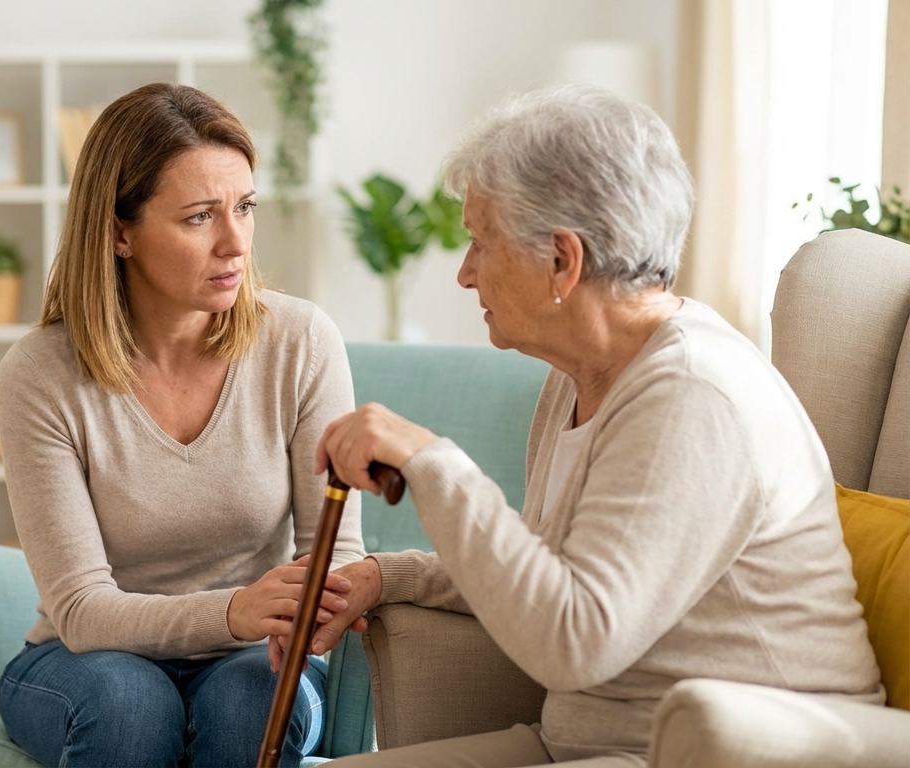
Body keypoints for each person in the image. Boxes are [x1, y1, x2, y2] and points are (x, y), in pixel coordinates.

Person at [302, 85, 885, 767]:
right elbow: (545, 575)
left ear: (562, 260)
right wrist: (384, 576)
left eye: (481, 242)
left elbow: (576, 636)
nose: (464, 274)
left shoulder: (693, 395)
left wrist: (433, 463)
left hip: (731, 753)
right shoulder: (583, 376)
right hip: (595, 745)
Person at [0, 82, 367, 768]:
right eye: (199, 217)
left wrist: (291, 617)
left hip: (253, 656)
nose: (235, 243)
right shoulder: (41, 373)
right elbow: (80, 609)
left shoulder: (301, 341)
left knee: (244, 706)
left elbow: (334, 556)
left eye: (245, 208)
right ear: (118, 231)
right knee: (131, 705)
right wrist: (232, 611)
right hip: (88, 659)